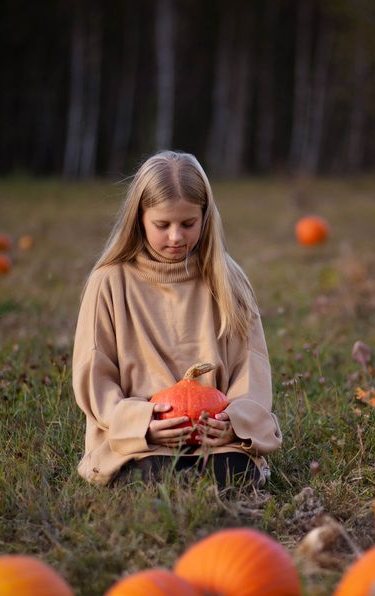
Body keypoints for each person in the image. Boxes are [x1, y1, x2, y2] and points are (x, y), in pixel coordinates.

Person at [72, 150, 282, 487]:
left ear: (205, 217)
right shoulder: (109, 282)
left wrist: (235, 423)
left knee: (235, 472)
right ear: (139, 218)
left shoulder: (228, 281)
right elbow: (95, 375)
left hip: (216, 443)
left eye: (188, 224)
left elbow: (250, 368)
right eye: (162, 224)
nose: (176, 237)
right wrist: (141, 423)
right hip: (142, 443)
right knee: (152, 474)